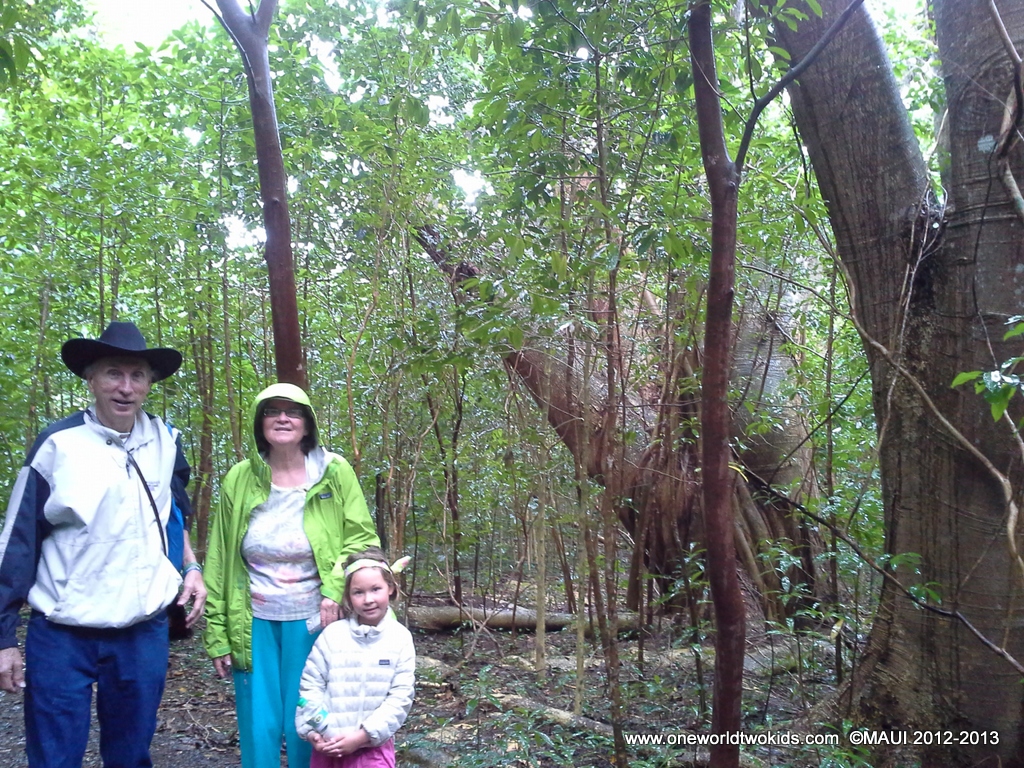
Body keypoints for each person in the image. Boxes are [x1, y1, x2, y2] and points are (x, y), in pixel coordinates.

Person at [0, 320, 207, 768]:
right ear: (91, 379)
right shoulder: (57, 445)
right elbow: (18, 542)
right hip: (63, 632)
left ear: (149, 384)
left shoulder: (167, 441)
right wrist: (3, 638)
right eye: (114, 373)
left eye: (137, 376)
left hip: (141, 631)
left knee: (131, 756)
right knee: (54, 758)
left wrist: (190, 566)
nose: (125, 388)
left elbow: (173, 512)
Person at [204, 383, 380, 768]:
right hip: (251, 620)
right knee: (259, 726)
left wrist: (334, 590)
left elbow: (362, 539)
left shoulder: (333, 472)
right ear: (259, 422)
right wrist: (217, 633)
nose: (283, 418)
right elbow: (219, 558)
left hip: (316, 619)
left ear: (307, 424)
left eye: (293, 412)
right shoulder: (239, 478)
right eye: (272, 411)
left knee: (310, 721)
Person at [295, 547, 415, 768]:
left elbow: (400, 697)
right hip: (328, 747)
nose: (368, 599)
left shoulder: (400, 638)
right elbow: (311, 686)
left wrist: (362, 736)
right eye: (358, 592)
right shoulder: (332, 635)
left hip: (372, 750)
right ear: (348, 596)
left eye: (376, 589)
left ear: (390, 588)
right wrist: (313, 731)